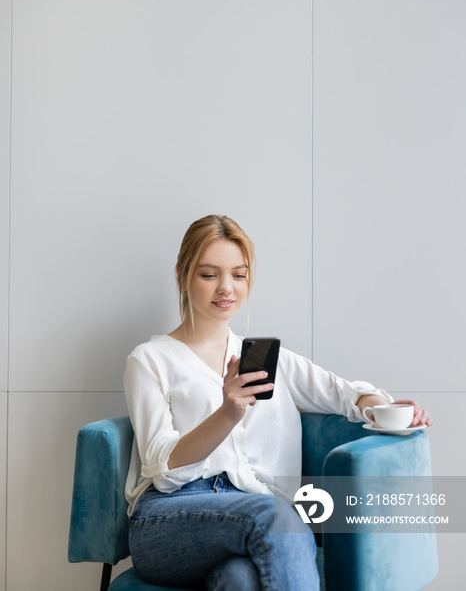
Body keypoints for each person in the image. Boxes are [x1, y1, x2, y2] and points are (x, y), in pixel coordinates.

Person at [124, 214, 432, 591]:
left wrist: (387, 410)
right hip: (169, 522)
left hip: (252, 517)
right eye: (209, 275)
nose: (226, 288)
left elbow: (345, 394)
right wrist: (227, 413)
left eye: (238, 275)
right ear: (182, 276)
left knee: (240, 580)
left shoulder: (270, 360)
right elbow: (163, 468)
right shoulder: (150, 359)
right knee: (281, 517)